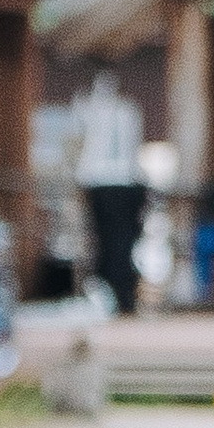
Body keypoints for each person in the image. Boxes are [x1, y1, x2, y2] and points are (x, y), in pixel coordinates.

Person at [73, 70, 145, 313]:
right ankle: (123, 296)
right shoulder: (129, 111)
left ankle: (112, 295)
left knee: (106, 244)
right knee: (122, 244)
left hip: (101, 184)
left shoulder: (88, 108)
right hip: (126, 183)